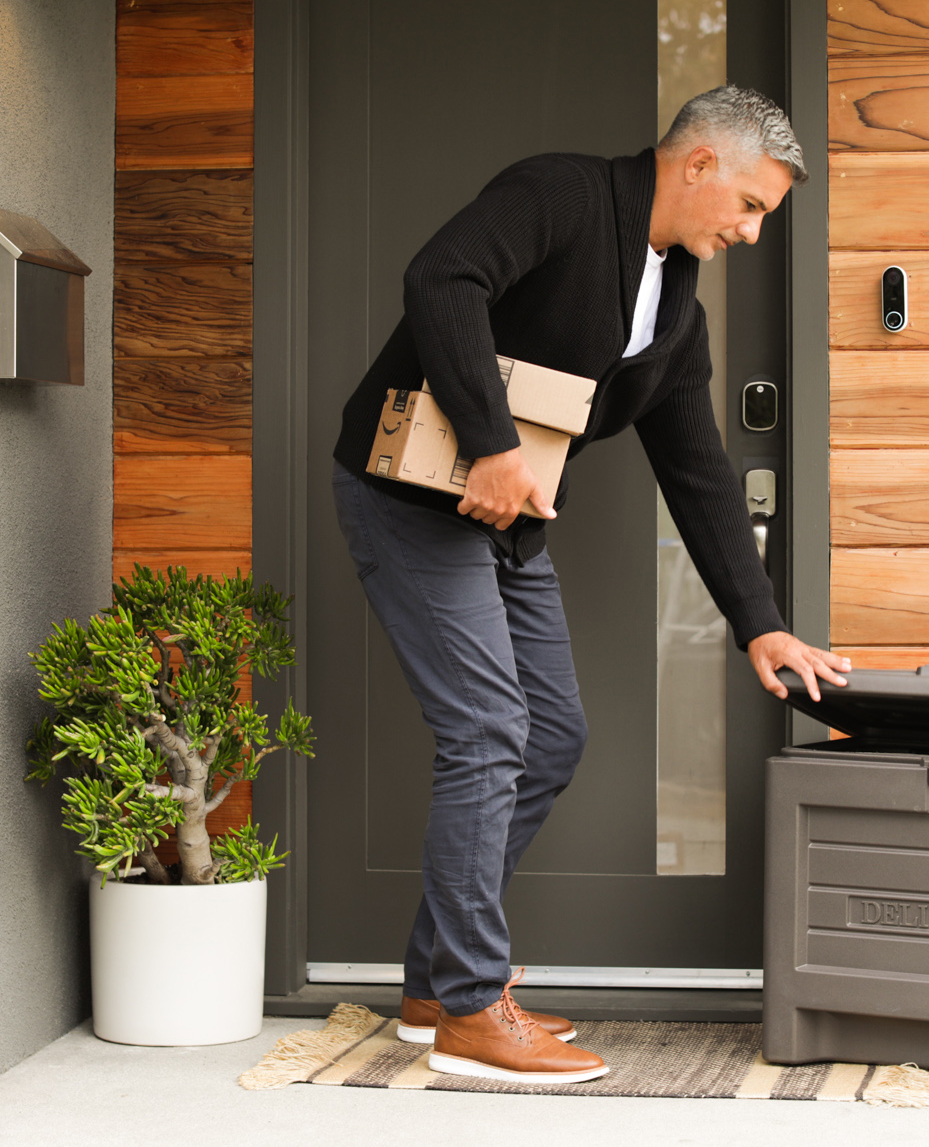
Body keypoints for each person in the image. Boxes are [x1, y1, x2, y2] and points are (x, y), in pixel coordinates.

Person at [329, 85, 851, 1084]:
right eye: (747, 205)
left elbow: (697, 469)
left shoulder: (674, 307)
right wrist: (487, 443)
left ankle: (435, 984)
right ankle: (475, 1011)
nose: (748, 231)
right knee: (485, 728)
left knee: (552, 734)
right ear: (698, 163)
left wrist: (761, 624)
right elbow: (441, 279)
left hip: (508, 523)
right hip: (408, 496)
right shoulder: (562, 196)